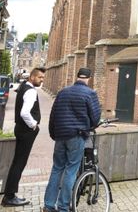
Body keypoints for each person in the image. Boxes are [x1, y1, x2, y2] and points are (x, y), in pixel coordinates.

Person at [43, 67, 100, 212]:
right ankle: (63, 207)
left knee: (57, 168)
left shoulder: (63, 92)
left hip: (60, 135)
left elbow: (53, 115)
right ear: (88, 78)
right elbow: (95, 118)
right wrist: (90, 126)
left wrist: (53, 134)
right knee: (71, 170)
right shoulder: (90, 93)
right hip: (76, 135)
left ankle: (48, 205)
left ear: (77, 77)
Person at [1, 67, 45, 206]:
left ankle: (10, 194)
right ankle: (9, 196)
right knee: (19, 163)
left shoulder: (24, 87)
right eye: (39, 77)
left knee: (17, 162)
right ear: (32, 77)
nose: (41, 80)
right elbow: (25, 113)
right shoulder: (30, 91)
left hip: (20, 128)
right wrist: (33, 125)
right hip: (26, 130)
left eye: (42, 78)